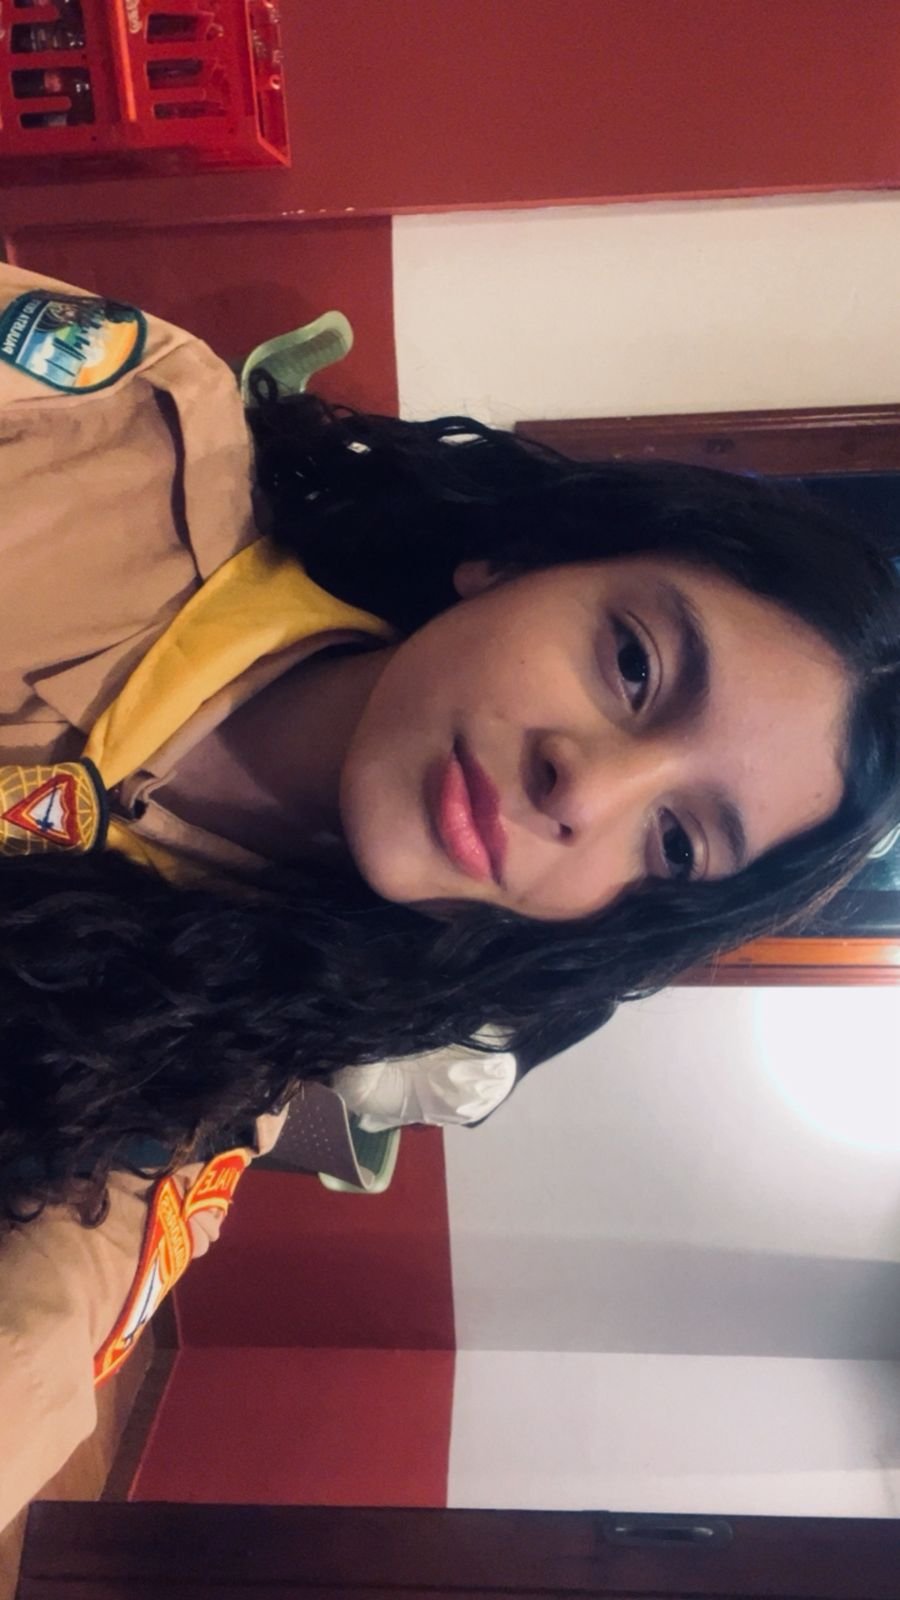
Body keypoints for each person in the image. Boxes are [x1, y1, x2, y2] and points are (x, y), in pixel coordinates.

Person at [0, 261, 898, 1525]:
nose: (586, 789)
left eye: (676, 843)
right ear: (517, 558)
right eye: (634, 663)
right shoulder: (120, 430)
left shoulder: (172, 1107)